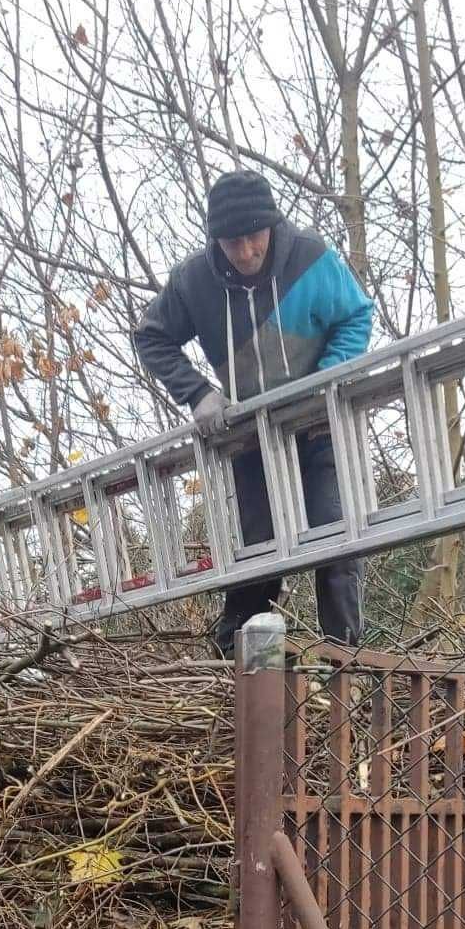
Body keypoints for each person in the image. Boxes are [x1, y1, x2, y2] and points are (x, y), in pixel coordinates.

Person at [134, 167, 373, 654]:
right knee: (256, 555)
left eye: (253, 238)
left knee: (336, 542)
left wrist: (326, 378)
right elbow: (151, 336)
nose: (244, 252)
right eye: (231, 242)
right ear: (215, 240)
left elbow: (356, 315)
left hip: (320, 426)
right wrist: (198, 392)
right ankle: (237, 671)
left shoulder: (311, 258)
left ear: (272, 226)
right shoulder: (194, 282)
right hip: (252, 436)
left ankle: (345, 665)